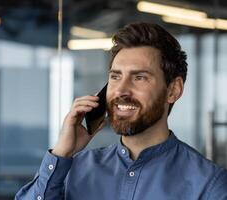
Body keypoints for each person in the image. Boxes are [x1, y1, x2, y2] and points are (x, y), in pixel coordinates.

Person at [15, 22, 227, 200]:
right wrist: (62, 153)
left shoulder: (208, 184)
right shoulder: (73, 170)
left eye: (139, 77)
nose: (121, 90)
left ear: (173, 90)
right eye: (115, 76)